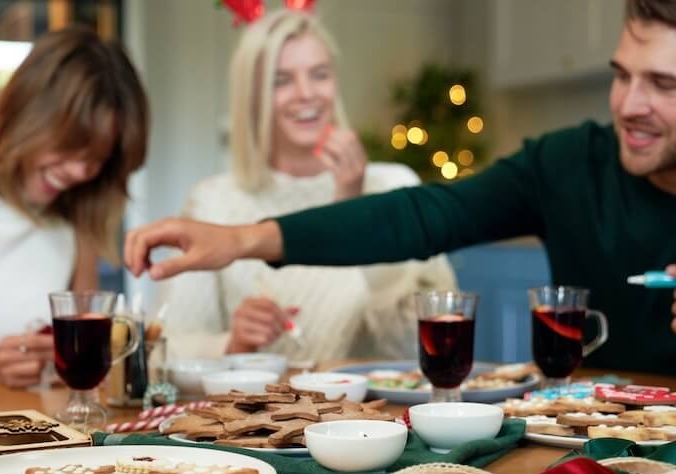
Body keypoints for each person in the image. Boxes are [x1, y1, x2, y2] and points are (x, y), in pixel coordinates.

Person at [125, 0, 676, 389]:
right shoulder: (567, 163)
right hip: (587, 452)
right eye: (622, 75)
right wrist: (240, 239)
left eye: (663, 84)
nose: (628, 105)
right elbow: (425, 213)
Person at [159, 10, 455, 363]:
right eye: (280, 80)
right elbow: (164, 352)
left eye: (319, 74)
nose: (306, 94)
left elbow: (428, 349)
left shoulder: (395, 186)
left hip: (372, 416)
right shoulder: (213, 203)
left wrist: (357, 213)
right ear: (251, 97)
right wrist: (231, 343)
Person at [0, 27, 149, 392]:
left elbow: (77, 380)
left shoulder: (74, 225)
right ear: (24, 113)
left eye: (97, 158)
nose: (79, 172)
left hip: (21, 440)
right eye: (71, 145)